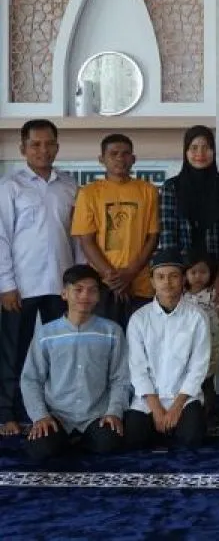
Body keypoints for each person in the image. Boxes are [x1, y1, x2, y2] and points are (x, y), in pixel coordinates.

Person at [0, 119, 77, 436]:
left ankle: (56, 411)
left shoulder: (69, 185)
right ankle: (7, 412)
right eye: (35, 144)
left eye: (49, 144)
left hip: (61, 286)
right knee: (14, 351)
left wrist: (78, 283)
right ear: (23, 148)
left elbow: (77, 237)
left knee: (59, 351)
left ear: (57, 147)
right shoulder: (10, 186)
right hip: (22, 286)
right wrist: (6, 284)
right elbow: (1, 237)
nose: (43, 150)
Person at [20, 265, 129, 462]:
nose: (85, 296)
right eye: (78, 289)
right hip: (57, 415)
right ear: (64, 293)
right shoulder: (46, 334)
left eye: (92, 290)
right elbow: (31, 379)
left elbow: (120, 378)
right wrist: (41, 416)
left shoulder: (112, 332)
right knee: (42, 449)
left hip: (96, 414)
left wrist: (114, 412)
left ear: (98, 296)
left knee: (109, 443)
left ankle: (77, 440)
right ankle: (69, 440)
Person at [124, 249, 210, 450]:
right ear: (152, 282)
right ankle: (163, 429)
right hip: (148, 399)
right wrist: (157, 410)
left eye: (173, 276)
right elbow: (137, 369)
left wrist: (176, 407)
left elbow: (198, 367)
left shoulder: (197, 317)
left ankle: (169, 430)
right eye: (160, 277)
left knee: (192, 439)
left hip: (184, 398)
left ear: (183, 280)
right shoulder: (139, 319)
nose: (167, 283)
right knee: (133, 438)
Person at [71, 134, 160, 328]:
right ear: (101, 159)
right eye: (113, 154)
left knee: (139, 340)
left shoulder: (149, 191)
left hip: (140, 284)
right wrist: (113, 278)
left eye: (125, 154)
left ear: (133, 159)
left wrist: (130, 273)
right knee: (104, 340)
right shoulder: (88, 193)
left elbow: (153, 237)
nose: (120, 158)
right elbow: (86, 240)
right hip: (103, 285)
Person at [157, 125, 219, 305]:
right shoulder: (172, 188)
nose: (200, 153)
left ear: (213, 151)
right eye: (194, 148)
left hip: (216, 276)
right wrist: (177, 278)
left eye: (206, 147)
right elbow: (168, 237)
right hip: (182, 277)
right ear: (185, 152)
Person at [181, 251, 219, 415]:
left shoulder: (214, 296)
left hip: (211, 346)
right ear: (185, 274)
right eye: (193, 272)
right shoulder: (181, 297)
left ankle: (209, 416)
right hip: (188, 348)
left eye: (203, 272)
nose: (198, 276)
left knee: (208, 382)